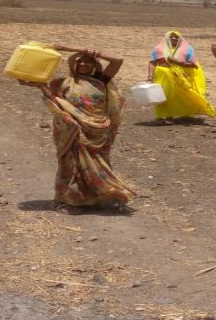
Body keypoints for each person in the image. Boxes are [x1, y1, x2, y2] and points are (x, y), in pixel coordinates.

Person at [19, 45, 135, 215]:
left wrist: (85, 50)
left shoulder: (102, 80)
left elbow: (118, 60)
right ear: (72, 64)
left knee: (98, 165)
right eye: (78, 62)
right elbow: (54, 99)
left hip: (97, 132)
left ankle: (98, 198)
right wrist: (35, 85)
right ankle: (66, 200)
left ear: (95, 65)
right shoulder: (64, 83)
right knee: (71, 165)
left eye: (87, 62)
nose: (82, 65)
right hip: (72, 130)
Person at [146, 30, 215, 124]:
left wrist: (176, 62)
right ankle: (162, 116)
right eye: (171, 36)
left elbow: (193, 65)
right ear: (166, 38)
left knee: (175, 96)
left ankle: (170, 116)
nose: (174, 38)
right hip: (162, 75)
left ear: (180, 38)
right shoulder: (158, 49)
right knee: (162, 95)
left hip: (179, 77)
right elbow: (152, 62)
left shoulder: (187, 49)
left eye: (176, 37)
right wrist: (150, 76)